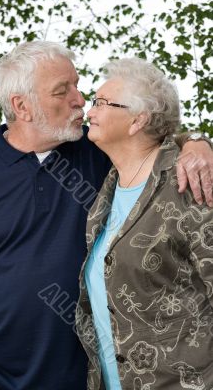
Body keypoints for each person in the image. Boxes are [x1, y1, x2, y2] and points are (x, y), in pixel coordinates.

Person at [0, 42, 212, 390]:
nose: (80, 99)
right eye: (63, 90)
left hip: (88, 376)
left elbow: (151, 135)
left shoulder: (99, 151)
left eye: (78, 84)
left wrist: (197, 143)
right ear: (21, 106)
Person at [75, 57, 213, 390]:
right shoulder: (107, 190)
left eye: (101, 103)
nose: (88, 112)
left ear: (138, 120)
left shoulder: (189, 182)